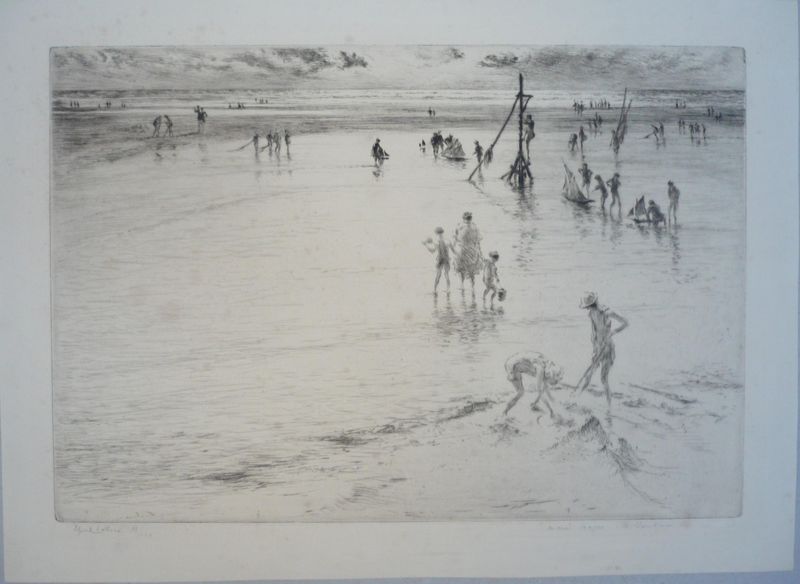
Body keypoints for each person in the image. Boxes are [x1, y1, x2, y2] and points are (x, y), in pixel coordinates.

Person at [577, 292, 629, 405]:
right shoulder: (591, 314)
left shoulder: (607, 312)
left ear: (593, 304)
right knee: (588, 375)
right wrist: (594, 349)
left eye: (588, 306)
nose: (587, 309)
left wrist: (614, 331)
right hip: (597, 348)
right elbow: (593, 332)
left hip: (607, 349)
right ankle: (576, 398)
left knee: (603, 379)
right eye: (586, 307)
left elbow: (626, 322)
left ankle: (609, 406)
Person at [452, 211, 483, 292]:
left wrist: (453, 249)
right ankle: (471, 287)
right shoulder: (474, 226)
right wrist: (480, 251)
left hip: (464, 249)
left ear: (463, 218)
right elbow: (478, 241)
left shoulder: (460, 226)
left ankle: (463, 285)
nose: (468, 220)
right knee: (470, 269)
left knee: (463, 268)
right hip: (470, 249)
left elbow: (455, 239)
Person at [422, 227, 451, 294]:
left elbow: (432, 251)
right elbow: (452, 250)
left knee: (438, 275)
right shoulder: (447, 241)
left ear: (437, 233)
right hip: (446, 259)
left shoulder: (437, 242)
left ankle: (435, 290)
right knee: (447, 275)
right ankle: (448, 289)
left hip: (440, 259)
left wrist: (426, 245)